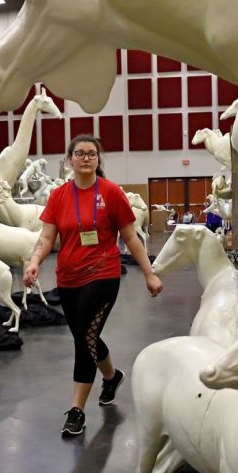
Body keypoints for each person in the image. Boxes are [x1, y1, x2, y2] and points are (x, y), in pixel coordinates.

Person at [23, 135, 163, 438]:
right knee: (86, 337)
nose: (86, 158)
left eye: (92, 153)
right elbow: (47, 238)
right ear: (69, 159)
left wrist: (149, 274)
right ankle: (111, 377)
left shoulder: (111, 193)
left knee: (84, 338)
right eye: (80, 153)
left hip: (103, 275)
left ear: (98, 160)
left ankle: (77, 410)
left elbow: (130, 238)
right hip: (68, 278)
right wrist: (34, 261)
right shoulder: (59, 196)